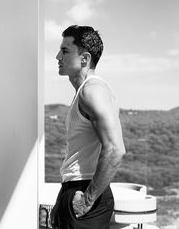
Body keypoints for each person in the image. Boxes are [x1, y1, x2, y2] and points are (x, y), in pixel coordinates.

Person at [50, 25, 126, 229]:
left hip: (85, 191)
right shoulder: (84, 92)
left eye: (65, 50)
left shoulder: (92, 91)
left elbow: (115, 150)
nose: (58, 56)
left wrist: (87, 200)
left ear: (84, 58)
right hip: (75, 188)